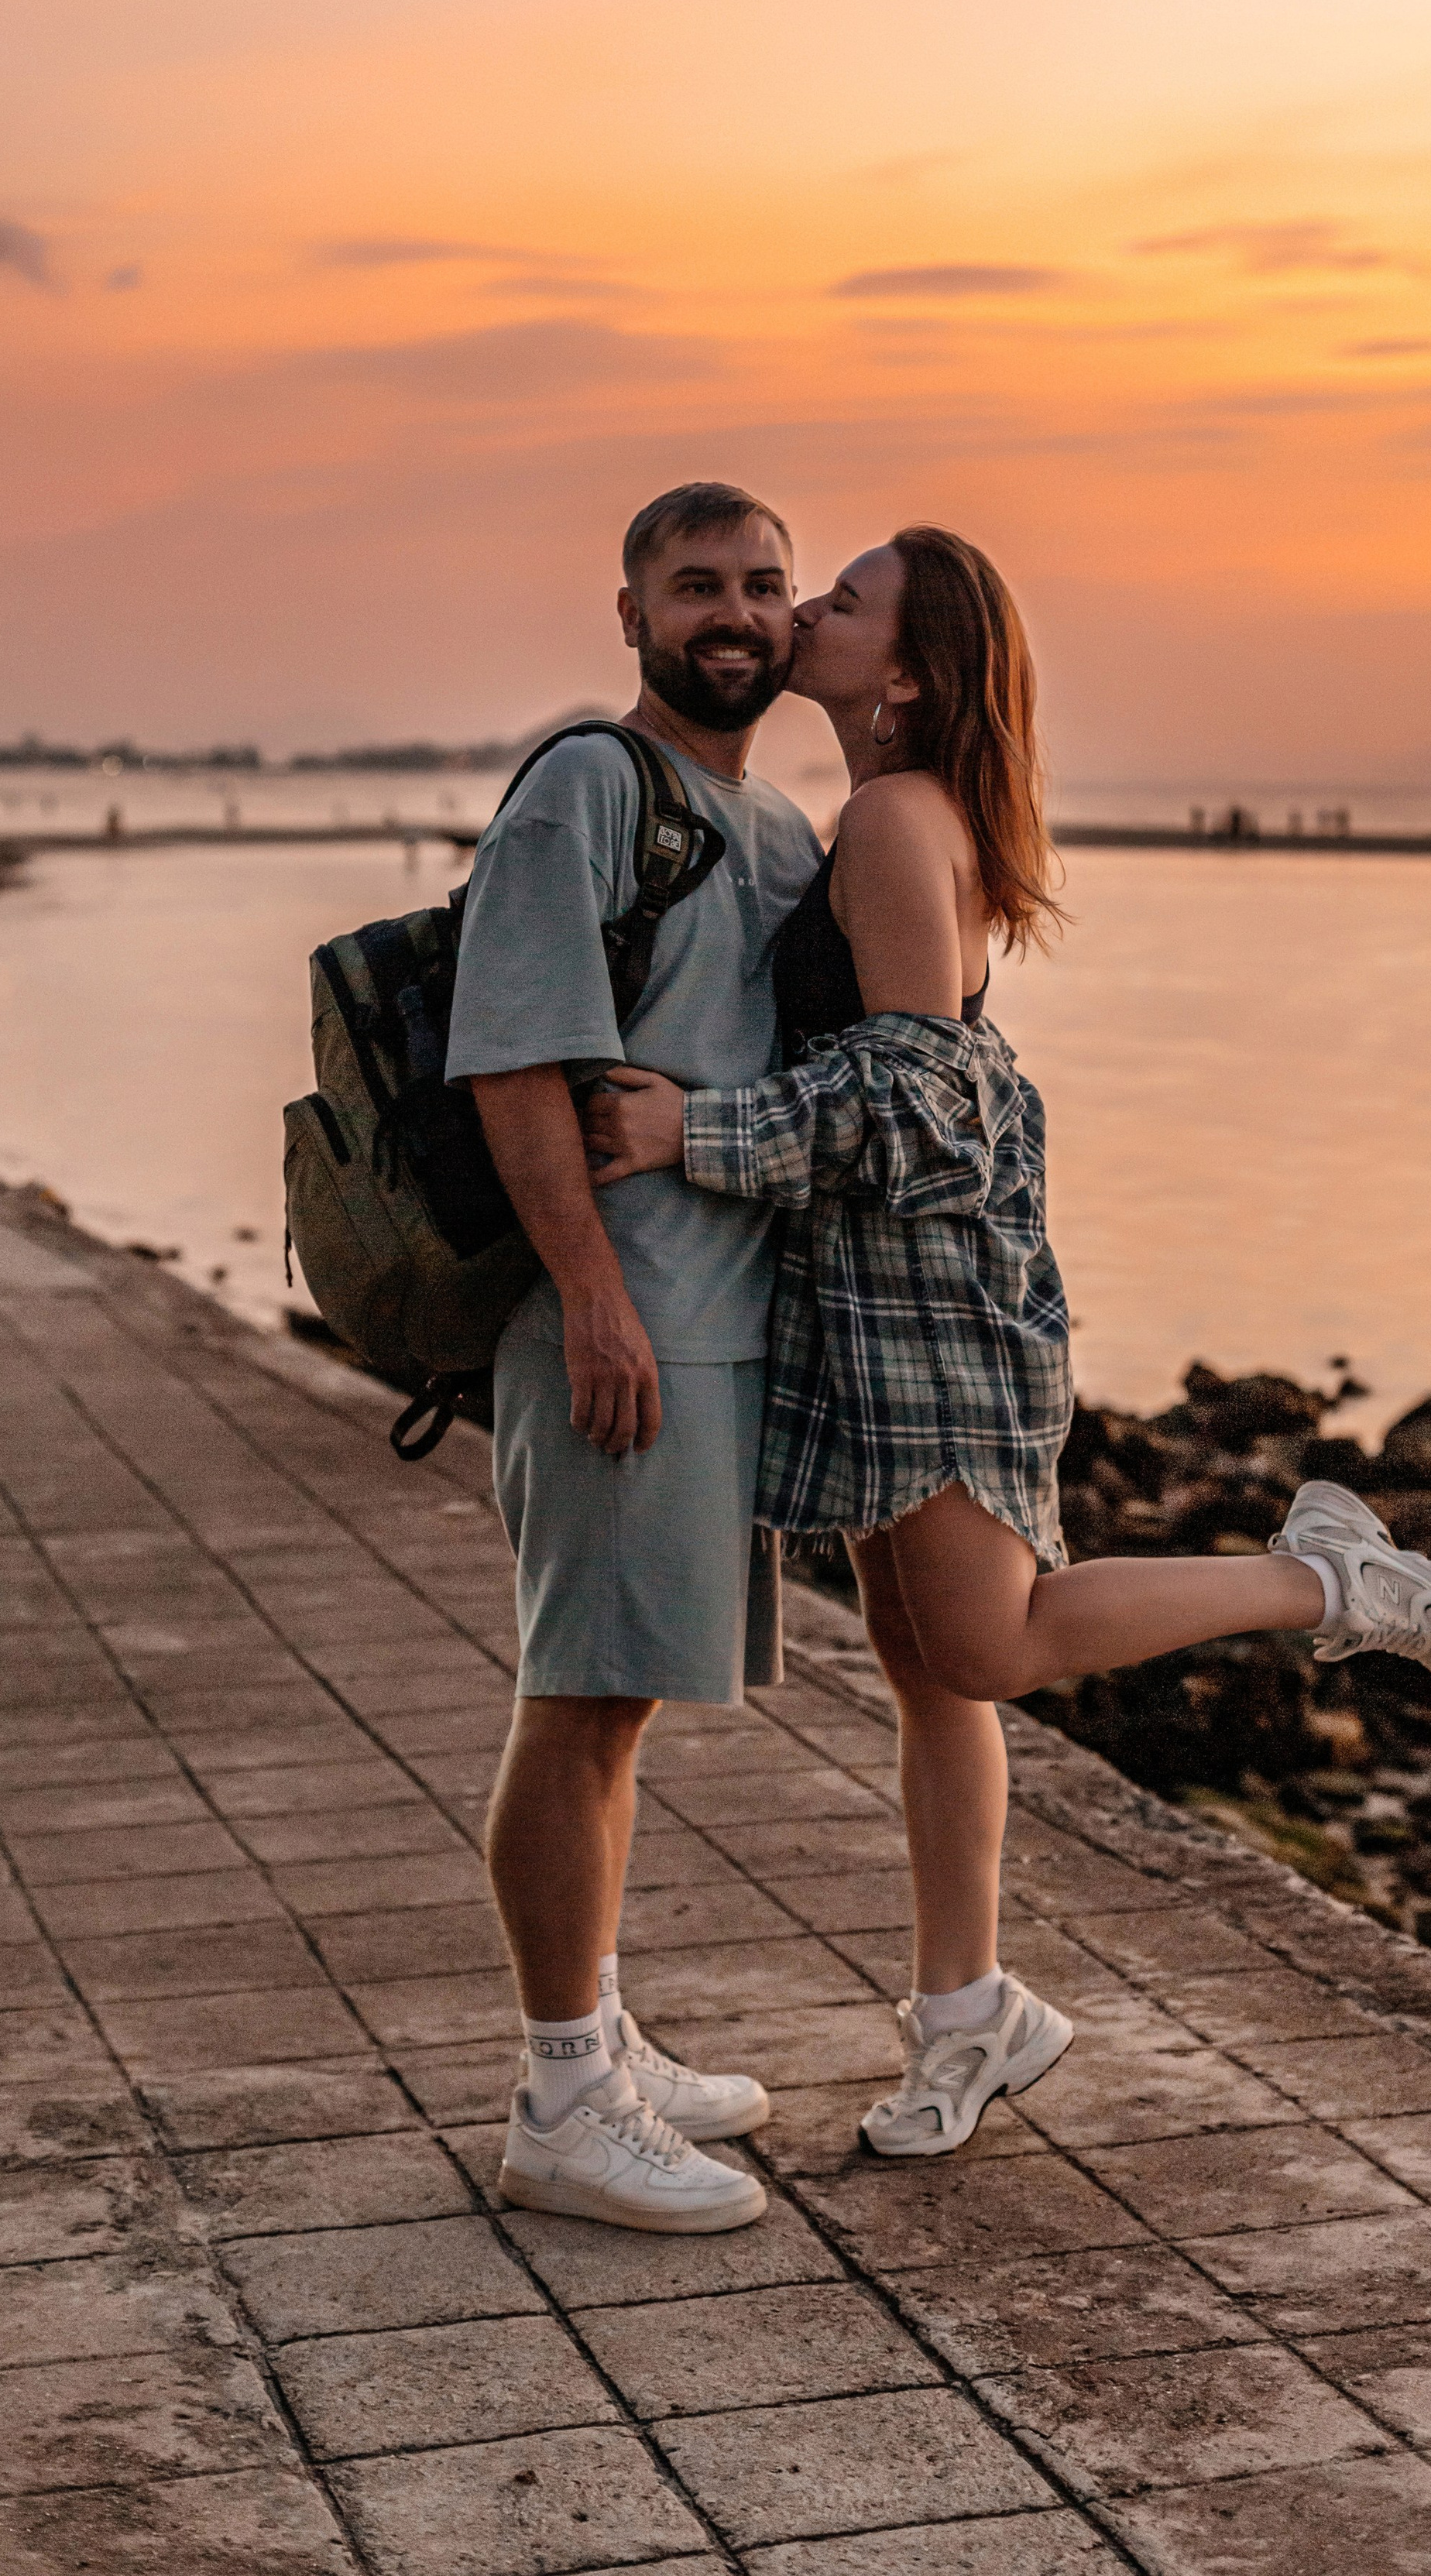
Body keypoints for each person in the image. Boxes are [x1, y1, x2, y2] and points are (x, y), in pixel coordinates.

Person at [585, 525, 1431, 2160]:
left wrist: (688, 1134)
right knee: (931, 1673)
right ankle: (964, 2017)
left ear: (911, 673)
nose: (802, 613)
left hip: (925, 1287)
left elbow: (918, 1094)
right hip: (870, 1280)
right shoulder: (894, 816)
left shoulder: (889, 818)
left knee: (986, 1647)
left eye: (840, 602)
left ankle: (1321, 1576)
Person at [445, 479, 825, 2232]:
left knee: (623, 1695)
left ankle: (595, 2026)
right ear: (631, 614)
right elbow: (517, 1059)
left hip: (713, 1320)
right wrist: (591, 1295)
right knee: (580, 1693)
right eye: (697, 585)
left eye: (762, 583)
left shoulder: (772, 831)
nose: (733, 612)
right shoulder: (591, 784)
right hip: (618, 1320)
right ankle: (556, 2099)